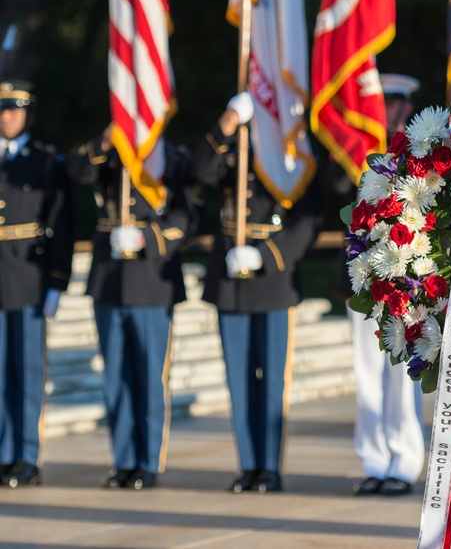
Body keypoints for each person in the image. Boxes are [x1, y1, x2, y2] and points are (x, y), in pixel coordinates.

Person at [190, 92, 322, 494]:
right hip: (230, 276)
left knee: (270, 381)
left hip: (273, 280)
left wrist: (267, 255)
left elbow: (309, 220)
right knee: (238, 378)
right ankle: (247, 464)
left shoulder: (293, 154)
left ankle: (269, 466)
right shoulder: (236, 143)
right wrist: (228, 121)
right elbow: (200, 173)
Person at [67, 128, 199, 490]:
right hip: (109, 277)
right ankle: (123, 459)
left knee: (148, 376)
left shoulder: (172, 159)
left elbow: (186, 218)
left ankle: (147, 461)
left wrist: (148, 238)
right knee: (116, 378)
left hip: (152, 278)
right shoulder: (110, 155)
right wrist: (106, 141)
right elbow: (77, 172)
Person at [344, 74, 424, 497]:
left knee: (402, 374)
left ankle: (405, 461)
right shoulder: (354, 151)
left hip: (406, 282)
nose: (385, 109)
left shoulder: (416, 153)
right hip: (365, 283)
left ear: (405, 107)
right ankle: (374, 460)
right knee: (366, 373)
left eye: (392, 102)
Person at [0, 80, 74, 488]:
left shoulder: (46, 162)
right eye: (2, 109)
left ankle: (26, 455)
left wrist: (56, 283)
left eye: (13, 109)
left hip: (28, 279)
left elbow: (61, 225)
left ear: (28, 113)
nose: (6, 116)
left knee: (26, 372)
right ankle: (2, 452)